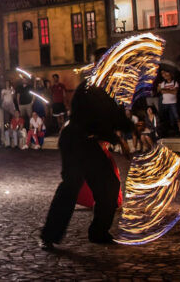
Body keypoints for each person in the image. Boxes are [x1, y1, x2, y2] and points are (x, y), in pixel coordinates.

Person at [40, 55, 132, 249]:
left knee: (109, 184)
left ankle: (98, 232)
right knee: (70, 187)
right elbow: (102, 118)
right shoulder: (90, 88)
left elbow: (113, 115)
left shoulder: (102, 88)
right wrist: (120, 138)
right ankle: (49, 235)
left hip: (87, 143)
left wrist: (129, 130)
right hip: (74, 142)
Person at [158, 70, 180, 136]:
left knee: (176, 116)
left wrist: (166, 90)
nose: (166, 77)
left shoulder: (175, 82)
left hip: (173, 102)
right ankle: (167, 130)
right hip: (165, 103)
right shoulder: (163, 83)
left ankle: (179, 130)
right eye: (166, 76)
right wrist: (171, 90)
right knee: (166, 117)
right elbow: (162, 91)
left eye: (168, 75)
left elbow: (175, 92)